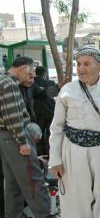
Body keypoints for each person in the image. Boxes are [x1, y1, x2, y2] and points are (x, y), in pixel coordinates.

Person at [49, 47, 100, 217]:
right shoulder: (67, 91)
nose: (81, 68)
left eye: (86, 64)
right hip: (73, 152)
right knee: (75, 198)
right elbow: (56, 128)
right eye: (78, 64)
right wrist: (55, 160)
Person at [0, 56, 50, 218]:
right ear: (22, 68)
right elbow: (12, 116)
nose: (30, 77)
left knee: (13, 184)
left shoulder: (3, 80)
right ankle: (43, 214)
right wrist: (22, 142)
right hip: (15, 136)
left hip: (6, 137)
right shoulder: (10, 84)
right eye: (29, 72)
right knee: (33, 180)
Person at [33, 66, 60, 156]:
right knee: (50, 134)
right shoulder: (50, 82)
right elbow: (54, 94)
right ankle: (50, 153)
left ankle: (40, 154)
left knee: (39, 134)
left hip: (38, 113)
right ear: (45, 73)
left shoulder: (32, 83)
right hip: (50, 111)